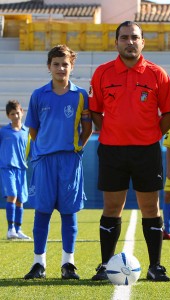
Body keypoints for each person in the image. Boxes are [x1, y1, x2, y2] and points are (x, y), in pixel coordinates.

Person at [89, 21, 170, 281]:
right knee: (112, 206)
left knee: (151, 207)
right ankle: (105, 266)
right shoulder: (103, 73)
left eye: (134, 37)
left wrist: (150, 134)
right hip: (112, 151)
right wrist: (114, 131)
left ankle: (155, 267)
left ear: (142, 42)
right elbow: (95, 111)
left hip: (146, 151)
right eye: (124, 37)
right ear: (116, 42)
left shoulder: (157, 74)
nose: (130, 42)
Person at [23, 45, 92, 280]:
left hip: (70, 161)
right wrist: (47, 146)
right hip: (44, 161)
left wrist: (76, 148)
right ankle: (38, 263)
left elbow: (87, 128)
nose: (61, 68)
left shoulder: (81, 95)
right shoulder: (38, 95)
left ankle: (68, 263)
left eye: (65, 64)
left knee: (68, 213)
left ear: (72, 66)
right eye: (56, 64)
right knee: (41, 212)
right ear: (49, 67)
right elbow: (33, 129)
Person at [0, 100, 31, 240]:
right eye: (12, 114)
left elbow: (31, 150)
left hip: (22, 170)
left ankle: (18, 230)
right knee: (12, 195)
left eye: (17, 113)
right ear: (8, 116)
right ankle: (10, 229)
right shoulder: (3, 132)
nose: (16, 116)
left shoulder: (27, 132)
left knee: (20, 199)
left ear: (22, 112)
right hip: (7, 168)